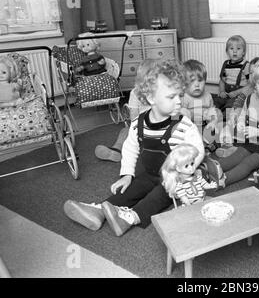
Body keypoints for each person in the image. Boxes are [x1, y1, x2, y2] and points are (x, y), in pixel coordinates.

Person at [63, 59, 205, 237]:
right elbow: (130, 149)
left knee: (161, 194)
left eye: (180, 96)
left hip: (174, 178)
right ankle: (99, 211)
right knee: (133, 188)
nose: (178, 102)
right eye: (171, 97)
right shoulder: (139, 123)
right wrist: (127, 174)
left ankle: (130, 218)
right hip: (150, 173)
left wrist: (185, 170)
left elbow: (197, 149)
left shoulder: (183, 125)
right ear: (152, 98)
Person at [206, 56, 259, 188]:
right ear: (255, 84)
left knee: (248, 163)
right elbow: (243, 114)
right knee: (237, 155)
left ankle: (224, 180)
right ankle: (210, 169)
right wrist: (240, 123)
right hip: (249, 141)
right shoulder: (250, 98)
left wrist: (257, 131)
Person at [94, 59, 156, 162]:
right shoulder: (163, 91)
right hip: (158, 128)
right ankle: (120, 151)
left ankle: (117, 149)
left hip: (143, 128)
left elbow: (134, 116)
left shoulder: (135, 92)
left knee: (125, 132)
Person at [213, 35, 250, 112]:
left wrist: (236, 92)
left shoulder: (246, 65)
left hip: (239, 94)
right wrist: (222, 91)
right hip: (226, 93)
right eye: (231, 48)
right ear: (227, 52)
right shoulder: (226, 64)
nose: (235, 51)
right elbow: (222, 81)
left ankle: (225, 118)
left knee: (231, 106)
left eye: (238, 49)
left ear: (243, 52)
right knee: (215, 102)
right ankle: (213, 115)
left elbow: (250, 85)